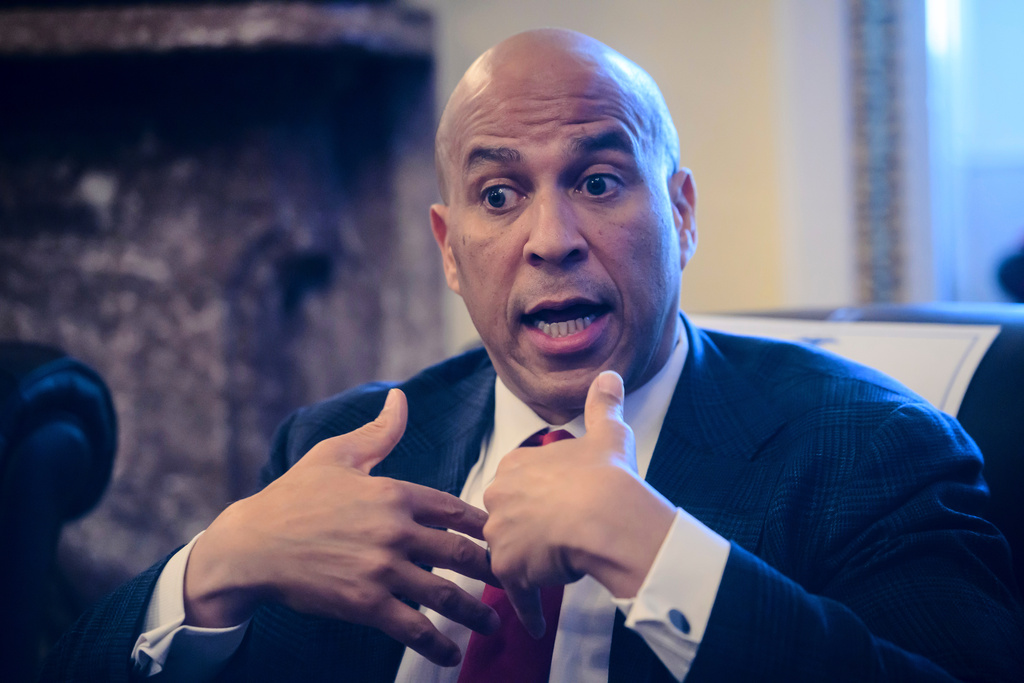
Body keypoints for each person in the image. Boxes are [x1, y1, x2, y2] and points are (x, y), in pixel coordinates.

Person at [44, 28, 1023, 682]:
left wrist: (654, 547)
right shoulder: (344, 444)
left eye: (598, 180)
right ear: (448, 249)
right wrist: (217, 566)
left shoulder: (874, 446)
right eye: (500, 195)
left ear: (680, 214)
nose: (549, 237)